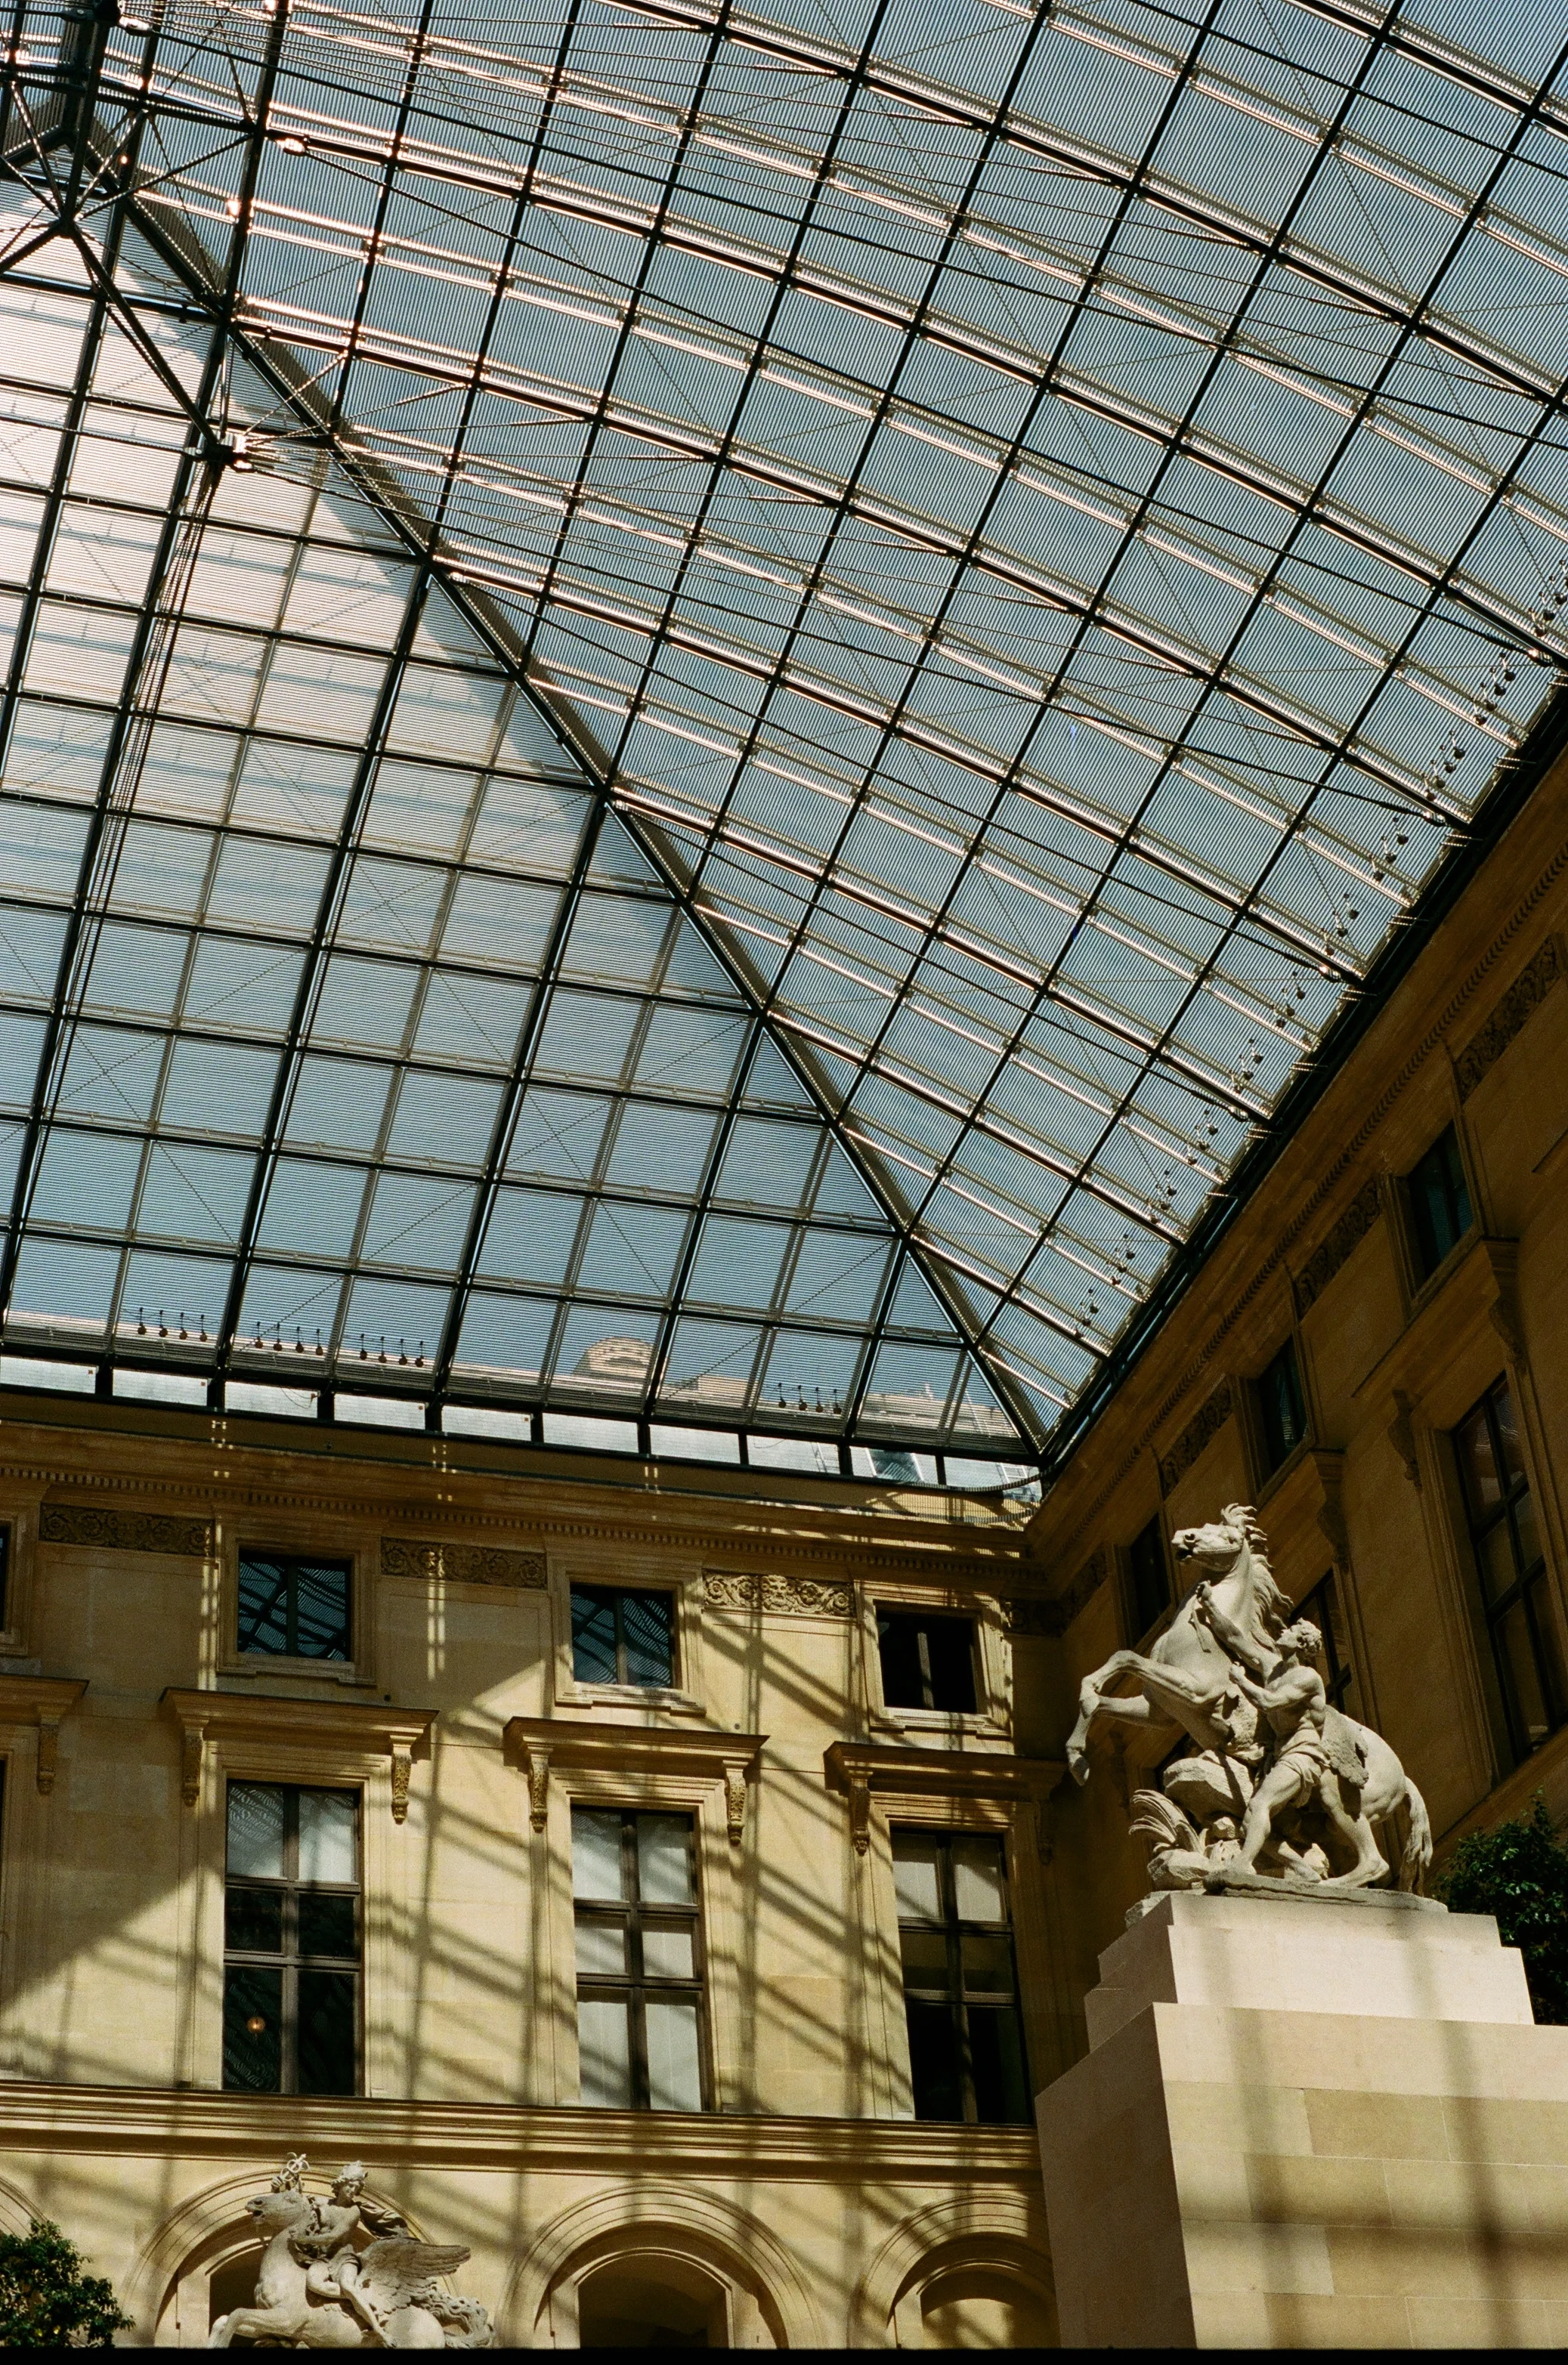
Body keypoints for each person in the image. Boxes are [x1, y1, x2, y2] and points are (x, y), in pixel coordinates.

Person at [1192, 1582, 1377, 1880]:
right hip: (1279, 1756)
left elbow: (1270, 1701)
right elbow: (1236, 1638)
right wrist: (1210, 1606)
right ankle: (1301, 1870)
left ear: (1301, 1644)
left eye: (1291, 1631)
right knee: (1252, 1819)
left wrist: (1240, 1680)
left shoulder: (1307, 1678)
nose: (1283, 1631)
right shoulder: (1272, 1666)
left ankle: (1241, 1866)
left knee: (1260, 1805)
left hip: (1304, 1755)